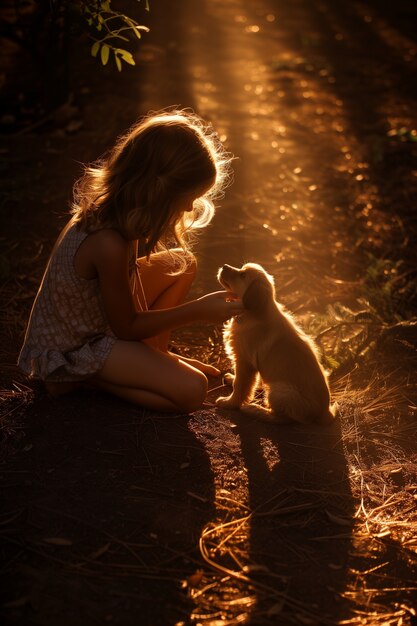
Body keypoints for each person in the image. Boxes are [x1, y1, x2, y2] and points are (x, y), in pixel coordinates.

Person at [18, 109, 243, 414]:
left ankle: (153, 359)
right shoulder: (107, 242)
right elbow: (127, 325)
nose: (190, 206)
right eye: (189, 196)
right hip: (74, 347)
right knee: (192, 391)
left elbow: (132, 302)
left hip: (99, 324)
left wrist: (159, 361)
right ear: (159, 191)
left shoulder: (126, 217)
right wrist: (198, 310)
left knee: (182, 263)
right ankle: (82, 379)